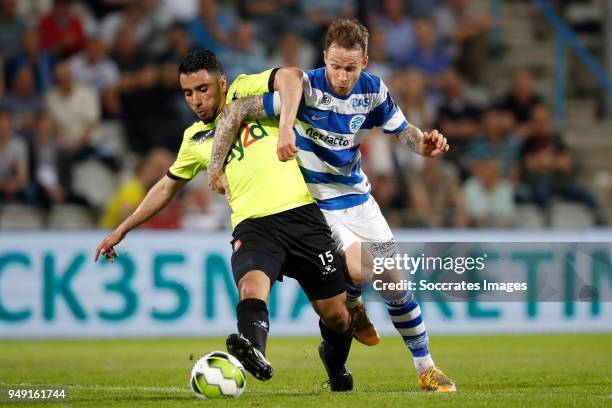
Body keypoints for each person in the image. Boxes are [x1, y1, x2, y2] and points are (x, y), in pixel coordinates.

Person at [208, 19, 456, 393]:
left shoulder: (372, 91)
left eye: (350, 68)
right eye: (335, 66)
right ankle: (353, 299)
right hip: (317, 204)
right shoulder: (304, 89)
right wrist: (215, 166)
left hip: (359, 197)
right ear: (324, 57)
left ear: (366, 62)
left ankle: (426, 367)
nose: (341, 76)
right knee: (361, 265)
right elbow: (237, 110)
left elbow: (404, 132)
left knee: (393, 280)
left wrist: (424, 144)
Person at [94, 49, 354, 391]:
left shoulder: (246, 91)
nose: (196, 101)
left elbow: (292, 76)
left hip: (300, 214)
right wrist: (121, 229)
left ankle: (336, 367)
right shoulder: (193, 139)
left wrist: (287, 127)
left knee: (335, 314)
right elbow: (166, 187)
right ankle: (255, 353)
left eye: (203, 89)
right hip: (253, 225)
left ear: (221, 82)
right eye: (187, 93)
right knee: (251, 286)